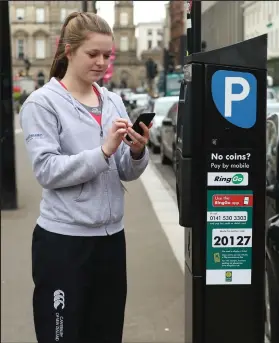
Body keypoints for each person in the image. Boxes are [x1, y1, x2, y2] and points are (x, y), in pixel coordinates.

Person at [19, 12, 151, 343]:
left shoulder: (112, 100)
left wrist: (135, 151)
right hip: (64, 243)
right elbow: (46, 170)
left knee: (106, 334)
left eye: (107, 55)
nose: (101, 62)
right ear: (68, 51)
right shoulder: (42, 103)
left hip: (110, 240)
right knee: (62, 335)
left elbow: (125, 170)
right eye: (93, 54)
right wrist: (103, 150)